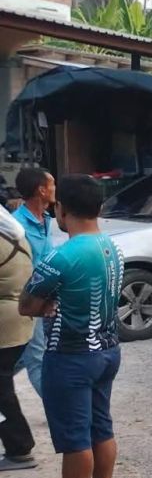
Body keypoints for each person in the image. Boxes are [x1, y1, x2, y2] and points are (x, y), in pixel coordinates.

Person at [20, 175, 123, 478]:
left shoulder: (61, 257)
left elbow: (27, 305)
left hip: (70, 356)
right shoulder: (113, 247)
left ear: (62, 209)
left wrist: (46, 304)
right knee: (101, 427)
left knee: (75, 437)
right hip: (107, 350)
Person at [13, 166, 56, 397]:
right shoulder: (16, 226)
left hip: (44, 296)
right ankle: (60, 410)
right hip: (27, 298)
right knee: (37, 359)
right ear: (41, 190)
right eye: (52, 184)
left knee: (22, 356)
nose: (55, 188)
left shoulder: (46, 219)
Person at [0, 203, 36, 471]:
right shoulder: (14, 232)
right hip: (19, 321)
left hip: (5, 325)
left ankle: (20, 447)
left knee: (2, 390)